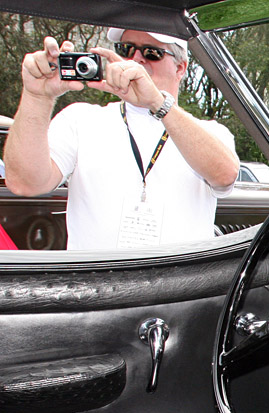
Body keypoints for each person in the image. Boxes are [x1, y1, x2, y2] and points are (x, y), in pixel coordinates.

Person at [4, 29, 238, 250]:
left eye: (151, 53)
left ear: (180, 68)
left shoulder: (211, 132)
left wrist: (158, 103)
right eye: (126, 49)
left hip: (180, 290)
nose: (136, 59)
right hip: (98, 288)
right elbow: (24, 182)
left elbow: (225, 176)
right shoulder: (80, 119)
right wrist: (37, 96)